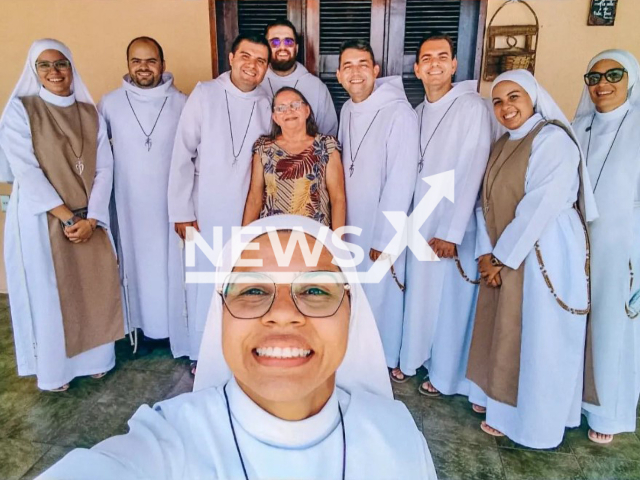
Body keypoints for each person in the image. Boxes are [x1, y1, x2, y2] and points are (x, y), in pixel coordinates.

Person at [42, 216, 438, 480]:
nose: (283, 314)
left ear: (352, 313)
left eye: (316, 289)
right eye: (252, 289)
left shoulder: (399, 437)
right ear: (220, 314)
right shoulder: (170, 440)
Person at [466, 69, 599, 449]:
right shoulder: (503, 143)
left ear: (533, 98)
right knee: (508, 334)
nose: (505, 108)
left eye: (514, 98)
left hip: (546, 253)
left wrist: (500, 258)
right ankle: (503, 410)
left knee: (541, 339)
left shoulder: (554, 140)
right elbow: (483, 201)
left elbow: (540, 206)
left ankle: (537, 423)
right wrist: (486, 254)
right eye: (498, 101)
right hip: (508, 252)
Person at [0, 39, 123, 391]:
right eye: (45, 65)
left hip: (89, 217)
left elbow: (104, 168)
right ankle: (56, 371)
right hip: (45, 220)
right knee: (52, 294)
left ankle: (97, 359)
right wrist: (68, 217)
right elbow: (27, 171)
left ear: (71, 67)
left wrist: (94, 218)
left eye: (61, 63)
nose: (54, 72)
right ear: (33, 71)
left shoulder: (90, 112)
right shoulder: (21, 112)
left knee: (95, 286)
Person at [394, 33, 491, 403]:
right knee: (419, 295)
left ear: (453, 65)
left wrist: (451, 231)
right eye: (426, 58)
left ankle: (445, 373)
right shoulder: (417, 112)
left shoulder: (472, 108)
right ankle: (415, 356)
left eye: (442, 57)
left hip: (451, 222)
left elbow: (472, 168)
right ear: (417, 69)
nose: (434, 63)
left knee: (448, 302)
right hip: (419, 217)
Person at [168, 34, 272, 371]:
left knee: (243, 282)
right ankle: (202, 351)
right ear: (231, 57)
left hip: (247, 212)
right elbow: (182, 153)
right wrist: (182, 211)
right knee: (204, 281)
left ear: (266, 68)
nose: (251, 66)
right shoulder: (205, 93)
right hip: (205, 208)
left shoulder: (267, 102)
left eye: (260, 61)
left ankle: (239, 348)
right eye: (246, 56)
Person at [98, 36, 188, 357]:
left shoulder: (182, 102)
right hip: (129, 202)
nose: (144, 67)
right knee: (136, 263)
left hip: (169, 203)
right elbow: (97, 155)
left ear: (163, 64)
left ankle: (171, 329)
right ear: (128, 65)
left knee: (169, 267)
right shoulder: (109, 103)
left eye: (151, 61)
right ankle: (139, 326)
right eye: (136, 61)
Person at [336, 39, 419, 368]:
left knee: (382, 292)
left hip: (381, 224)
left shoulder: (399, 112)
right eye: (347, 66)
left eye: (361, 65)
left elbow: (402, 177)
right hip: (351, 221)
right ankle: (355, 354)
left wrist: (386, 237)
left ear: (375, 71)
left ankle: (381, 360)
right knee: (354, 290)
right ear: (340, 75)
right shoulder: (346, 109)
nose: (355, 73)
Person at [573, 49, 640, 444]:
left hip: (621, 244)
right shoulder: (577, 126)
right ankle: (573, 400)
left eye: (613, 75)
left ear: (630, 79)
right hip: (577, 241)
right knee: (574, 321)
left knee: (612, 327)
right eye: (594, 77)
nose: (603, 84)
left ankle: (608, 413)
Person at [242, 87, 346, 229]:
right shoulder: (263, 148)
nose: (289, 111)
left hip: (315, 237)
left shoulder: (326, 146)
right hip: (273, 237)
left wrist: (337, 245)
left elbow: (338, 199)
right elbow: (254, 198)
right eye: (281, 108)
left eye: (295, 105)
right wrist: (244, 241)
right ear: (275, 118)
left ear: (307, 111)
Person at [262, 18, 338, 136]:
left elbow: (328, 134)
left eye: (288, 42)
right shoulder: (256, 83)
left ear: (296, 48)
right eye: (275, 42)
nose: (282, 47)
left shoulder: (316, 86)